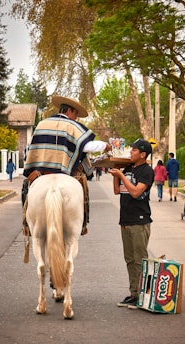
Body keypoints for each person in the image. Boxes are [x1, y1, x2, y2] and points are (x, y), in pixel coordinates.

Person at [23, 95, 111, 235]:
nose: (76, 118)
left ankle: (27, 225)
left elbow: (32, 147)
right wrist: (104, 145)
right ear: (69, 111)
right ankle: (82, 224)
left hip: (41, 172)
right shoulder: (72, 126)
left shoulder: (42, 124)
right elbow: (86, 146)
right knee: (82, 187)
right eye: (75, 114)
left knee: (27, 189)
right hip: (65, 172)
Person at [109, 138, 154, 309]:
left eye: (134, 150)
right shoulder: (128, 168)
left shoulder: (147, 171)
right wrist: (117, 173)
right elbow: (116, 190)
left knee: (140, 260)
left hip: (139, 221)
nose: (131, 152)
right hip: (125, 220)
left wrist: (121, 175)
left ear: (142, 154)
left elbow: (135, 192)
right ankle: (134, 294)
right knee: (129, 259)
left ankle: (144, 296)